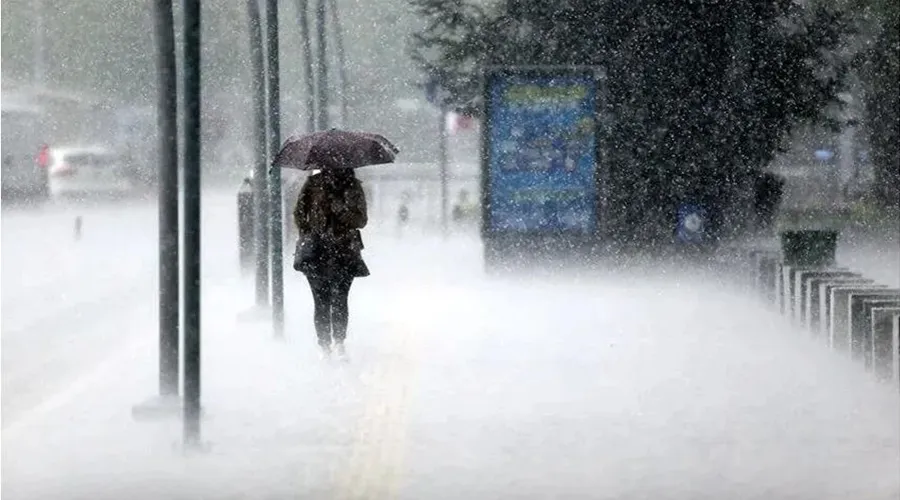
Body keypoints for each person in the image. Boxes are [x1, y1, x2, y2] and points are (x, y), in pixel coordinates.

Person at [293, 167, 369, 358]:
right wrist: (310, 231)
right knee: (321, 300)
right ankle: (325, 345)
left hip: (344, 250)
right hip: (317, 251)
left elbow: (361, 220)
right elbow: (299, 213)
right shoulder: (313, 185)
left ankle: (339, 342)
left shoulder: (353, 186)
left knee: (340, 298)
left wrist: (341, 211)